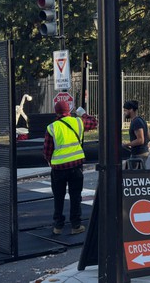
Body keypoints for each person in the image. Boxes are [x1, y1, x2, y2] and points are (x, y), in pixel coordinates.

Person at [43, 101, 98, 235]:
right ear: (69, 111)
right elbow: (94, 122)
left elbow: (47, 150)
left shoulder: (52, 127)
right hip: (76, 166)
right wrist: (83, 114)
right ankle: (76, 225)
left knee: (58, 197)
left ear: (56, 112)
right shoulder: (78, 122)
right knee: (75, 196)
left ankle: (58, 226)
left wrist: (50, 161)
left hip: (58, 169)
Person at [122, 100, 150, 169]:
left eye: (125, 110)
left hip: (138, 154)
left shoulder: (136, 122)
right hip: (143, 152)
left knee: (134, 175)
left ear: (131, 110)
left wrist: (126, 144)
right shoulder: (141, 120)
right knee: (140, 174)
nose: (124, 113)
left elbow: (140, 140)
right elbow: (148, 137)